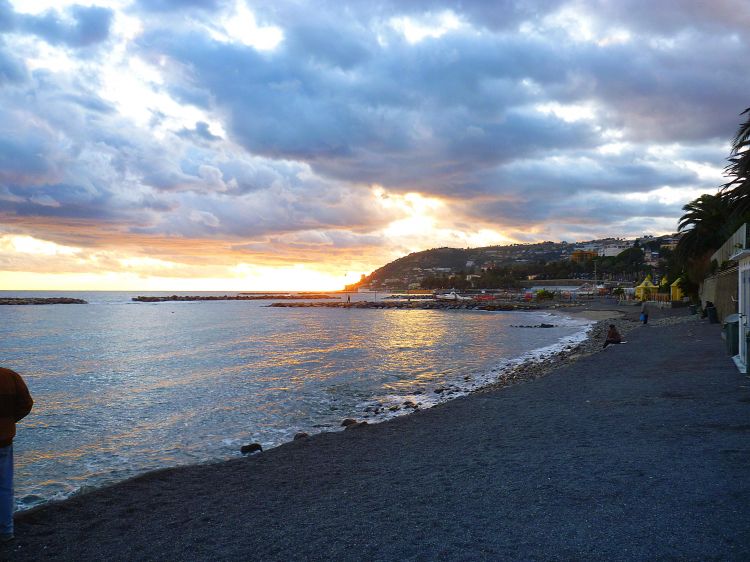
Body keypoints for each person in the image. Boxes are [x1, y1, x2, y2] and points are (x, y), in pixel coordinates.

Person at [0, 367, 34, 543]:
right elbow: (26, 404)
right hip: (4, 440)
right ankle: (6, 531)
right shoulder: (10, 376)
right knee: (5, 488)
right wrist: (9, 422)